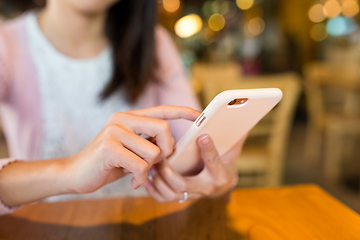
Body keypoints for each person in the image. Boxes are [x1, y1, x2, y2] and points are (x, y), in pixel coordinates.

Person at [0, 0, 245, 215]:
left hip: (146, 224)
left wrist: (215, 176)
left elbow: (196, 149)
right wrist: (70, 171)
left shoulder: (154, 43)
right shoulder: (7, 45)